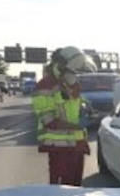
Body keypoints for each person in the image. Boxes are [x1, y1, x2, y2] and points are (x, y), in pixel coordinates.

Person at [33, 47, 96, 185]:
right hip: (60, 148)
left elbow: (73, 104)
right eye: (73, 69)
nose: (76, 73)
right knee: (61, 191)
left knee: (75, 188)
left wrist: (86, 108)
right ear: (61, 65)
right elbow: (48, 120)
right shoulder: (45, 85)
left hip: (76, 146)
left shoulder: (70, 83)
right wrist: (76, 126)